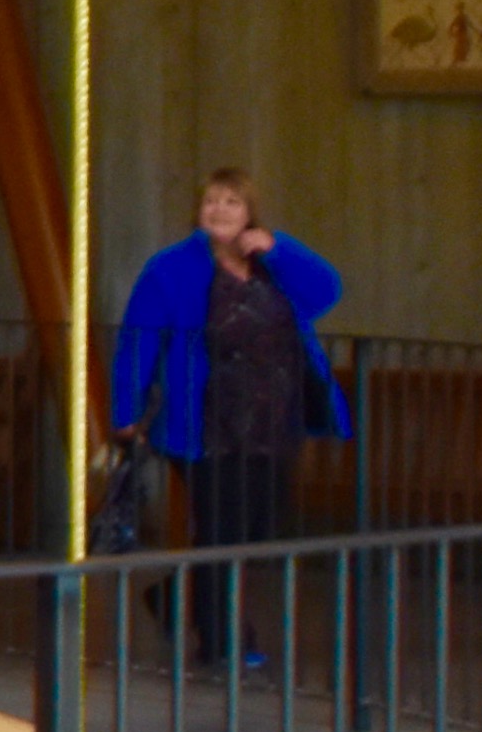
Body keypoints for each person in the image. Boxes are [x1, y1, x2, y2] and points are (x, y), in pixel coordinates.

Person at [111, 166, 343, 673]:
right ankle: (223, 638)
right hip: (202, 425)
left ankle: (172, 598)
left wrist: (280, 249)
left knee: (254, 530)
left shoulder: (271, 264)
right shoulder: (171, 268)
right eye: (212, 201)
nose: (220, 210)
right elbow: (139, 340)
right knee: (221, 531)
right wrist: (125, 410)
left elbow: (327, 290)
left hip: (272, 423)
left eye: (232, 202)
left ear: (250, 214)